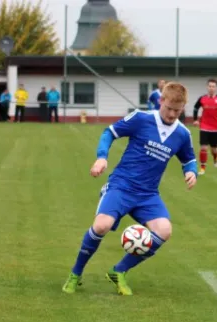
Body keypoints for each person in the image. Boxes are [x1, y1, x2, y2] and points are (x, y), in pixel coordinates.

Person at [62, 82, 198, 296]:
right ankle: (75, 274)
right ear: (161, 100)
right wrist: (101, 157)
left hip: (148, 195)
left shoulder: (182, 134)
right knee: (101, 226)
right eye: (169, 108)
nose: (172, 114)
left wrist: (191, 172)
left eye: (177, 110)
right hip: (121, 186)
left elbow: (189, 159)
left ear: (183, 108)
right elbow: (110, 133)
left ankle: (119, 271)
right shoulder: (141, 119)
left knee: (164, 230)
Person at [192, 79, 217, 175]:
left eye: (213, 86)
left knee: (214, 149)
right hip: (204, 126)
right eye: (210, 86)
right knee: (203, 148)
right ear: (207, 87)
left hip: (216, 128)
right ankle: (202, 168)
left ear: (216, 88)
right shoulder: (202, 98)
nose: (211, 88)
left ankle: (215, 157)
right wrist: (195, 119)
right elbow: (196, 108)